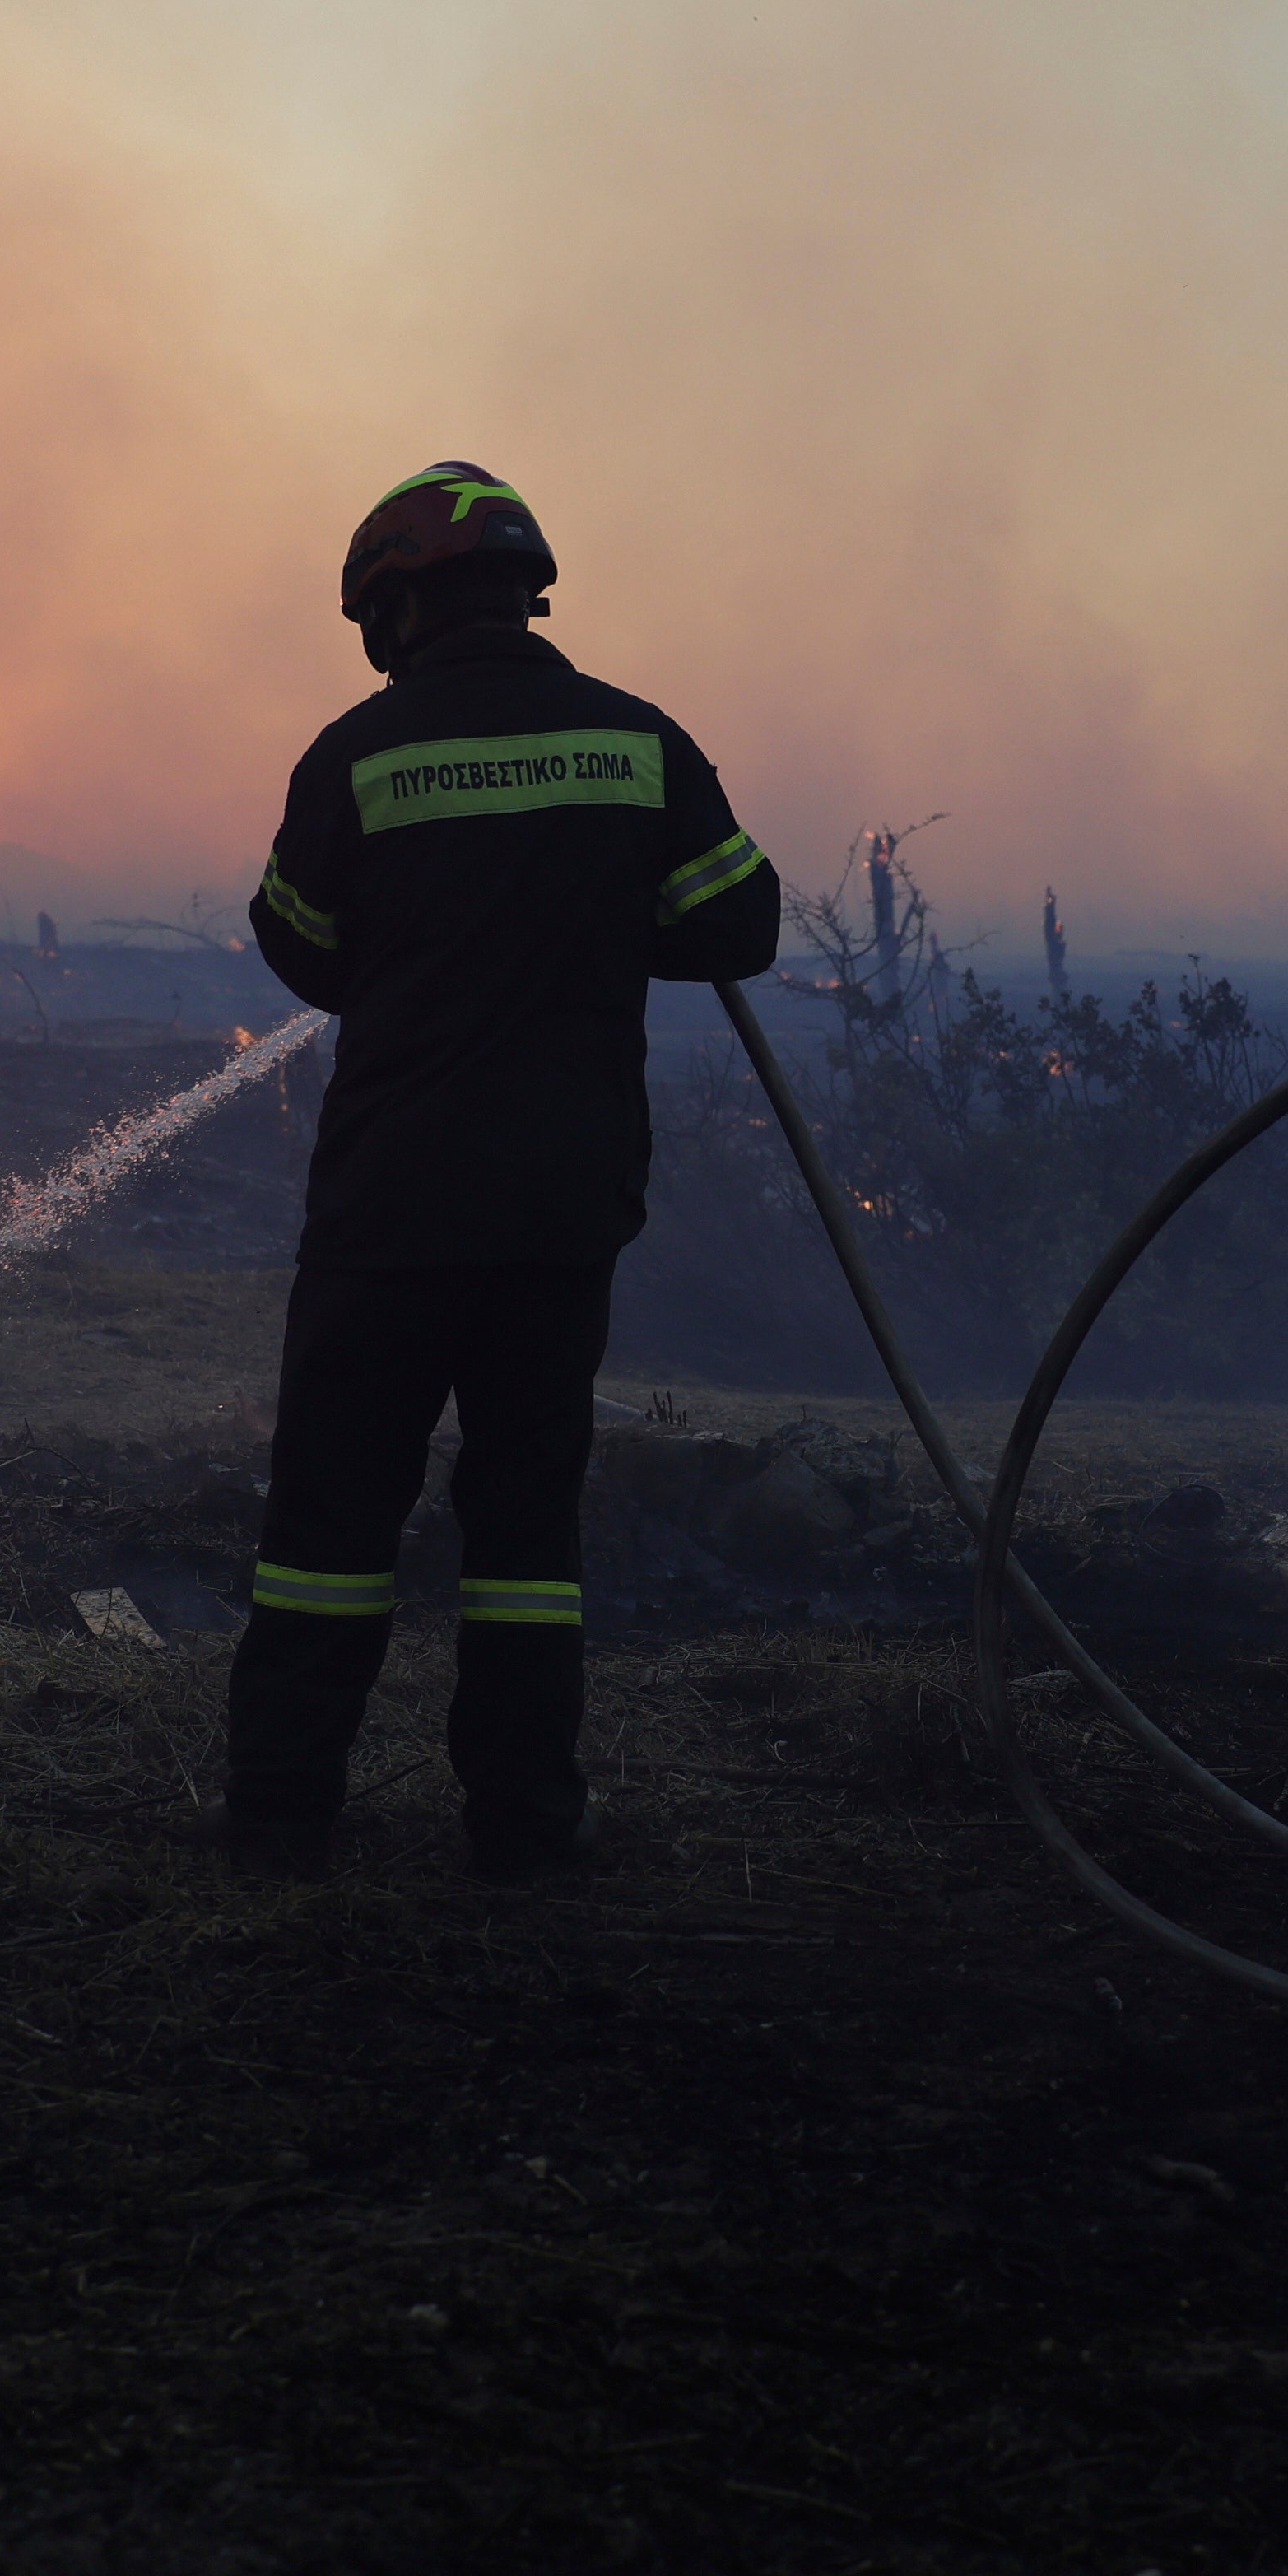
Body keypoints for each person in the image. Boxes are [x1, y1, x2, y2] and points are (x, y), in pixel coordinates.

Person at [223, 463, 780, 1880]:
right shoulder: (636, 745)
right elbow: (741, 923)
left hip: (388, 1210)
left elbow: (301, 949)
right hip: (557, 1210)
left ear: (396, 605)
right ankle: (525, 1821)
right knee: (527, 1531)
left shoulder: (355, 756)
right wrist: (587, 914)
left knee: (330, 1522)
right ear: (524, 592)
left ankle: (283, 1815)